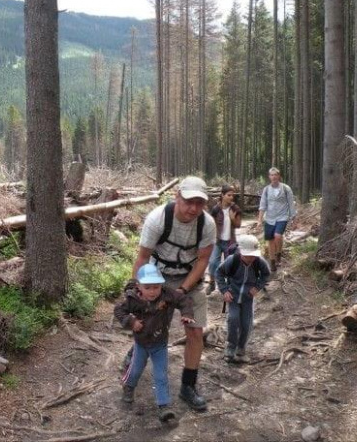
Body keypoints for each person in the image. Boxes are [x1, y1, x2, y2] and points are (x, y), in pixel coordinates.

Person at [126, 176, 216, 411]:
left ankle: (188, 385)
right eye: (189, 201)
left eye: (200, 203)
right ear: (177, 196)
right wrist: (137, 289)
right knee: (147, 319)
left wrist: (183, 290)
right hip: (157, 275)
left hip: (189, 278)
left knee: (195, 331)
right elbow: (143, 257)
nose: (194, 208)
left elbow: (203, 260)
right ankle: (136, 349)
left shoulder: (207, 224)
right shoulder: (157, 219)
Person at [114, 263, 195, 423]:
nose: (152, 291)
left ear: (161, 285)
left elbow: (184, 300)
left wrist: (186, 313)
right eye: (148, 287)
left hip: (160, 344)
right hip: (141, 344)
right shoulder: (133, 299)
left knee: (161, 374)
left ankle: (163, 406)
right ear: (139, 286)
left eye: (156, 287)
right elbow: (119, 310)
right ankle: (129, 387)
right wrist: (131, 321)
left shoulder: (167, 295)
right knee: (135, 370)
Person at [215, 234, 270, 363]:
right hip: (233, 297)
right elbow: (219, 272)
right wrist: (224, 290)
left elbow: (266, 274)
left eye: (253, 255)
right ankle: (230, 347)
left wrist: (257, 287)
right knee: (233, 320)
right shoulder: (231, 260)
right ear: (240, 251)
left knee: (246, 323)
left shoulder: (259, 262)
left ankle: (241, 348)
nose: (250, 258)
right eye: (247, 255)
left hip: (248, 299)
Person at [257, 167, 296, 272]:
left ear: (279, 176)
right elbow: (262, 205)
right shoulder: (266, 190)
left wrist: (293, 218)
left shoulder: (286, 188)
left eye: (275, 175)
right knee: (270, 241)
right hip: (269, 218)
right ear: (269, 177)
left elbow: (291, 204)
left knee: (277, 236)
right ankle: (272, 262)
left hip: (282, 217)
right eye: (271, 175)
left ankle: (279, 252)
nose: (274, 177)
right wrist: (259, 220)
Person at [205, 184, 242, 295]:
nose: (231, 197)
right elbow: (210, 223)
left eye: (232, 195)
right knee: (212, 262)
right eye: (229, 195)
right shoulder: (216, 209)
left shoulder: (235, 208)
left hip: (230, 242)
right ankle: (212, 283)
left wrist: (232, 218)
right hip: (217, 241)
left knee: (229, 265)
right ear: (222, 195)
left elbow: (238, 225)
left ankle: (229, 288)